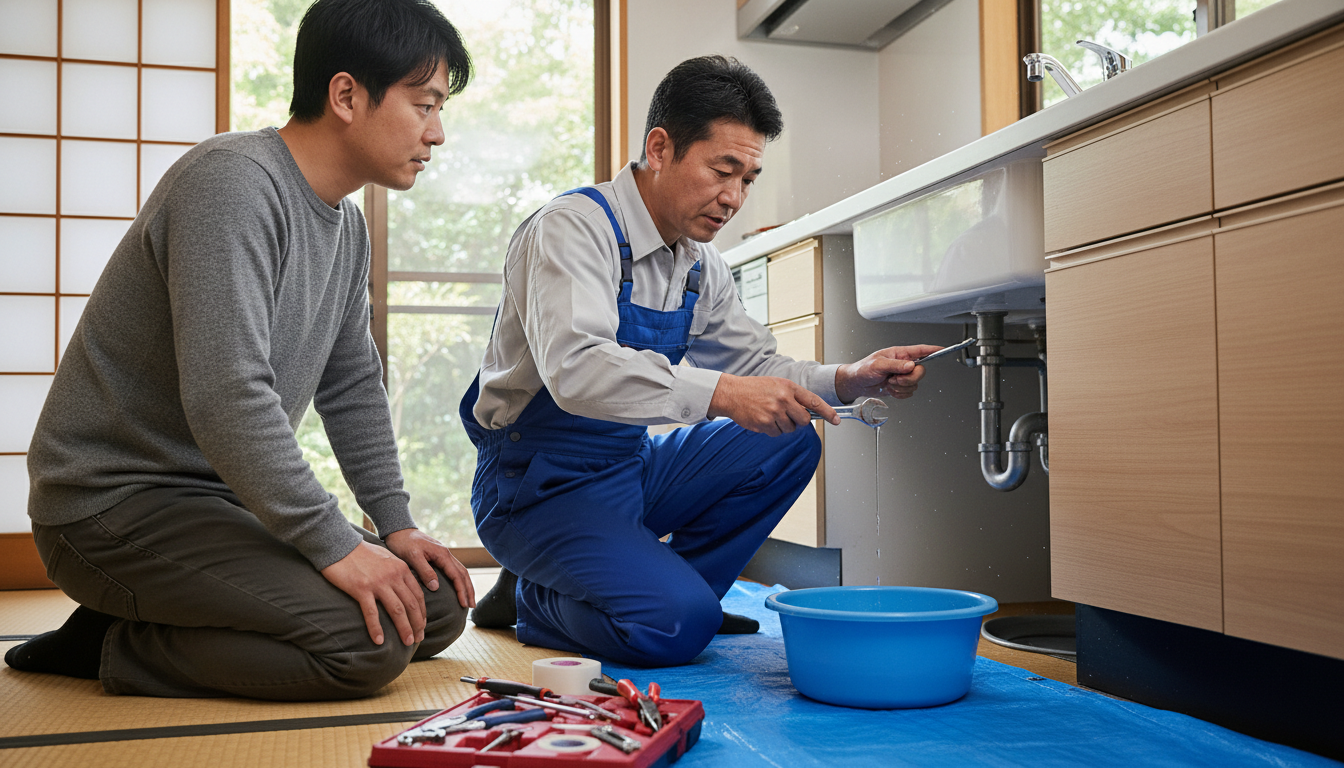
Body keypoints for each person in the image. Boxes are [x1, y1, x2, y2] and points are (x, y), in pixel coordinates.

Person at [6, 0, 477, 700]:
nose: (436, 132)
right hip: (113, 506)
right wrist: (336, 544)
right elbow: (227, 397)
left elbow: (352, 387)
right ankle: (109, 643)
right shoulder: (231, 182)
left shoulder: (347, 229)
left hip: (221, 503)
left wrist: (396, 525)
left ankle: (162, 614)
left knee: (433, 605)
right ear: (347, 95)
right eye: (425, 105)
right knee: (365, 644)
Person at [460, 55, 942, 667]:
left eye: (749, 179)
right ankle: (538, 598)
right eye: (722, 171)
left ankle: (677, 595)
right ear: (660, 148)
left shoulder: (696, 262)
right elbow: (577, 370)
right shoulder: (571, 229)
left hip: (626, 467)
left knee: (788, 441)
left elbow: (757, 364)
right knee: (673, 627)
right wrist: (723, 394)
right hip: (536, 485)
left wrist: (848, 379)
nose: (734, 198)